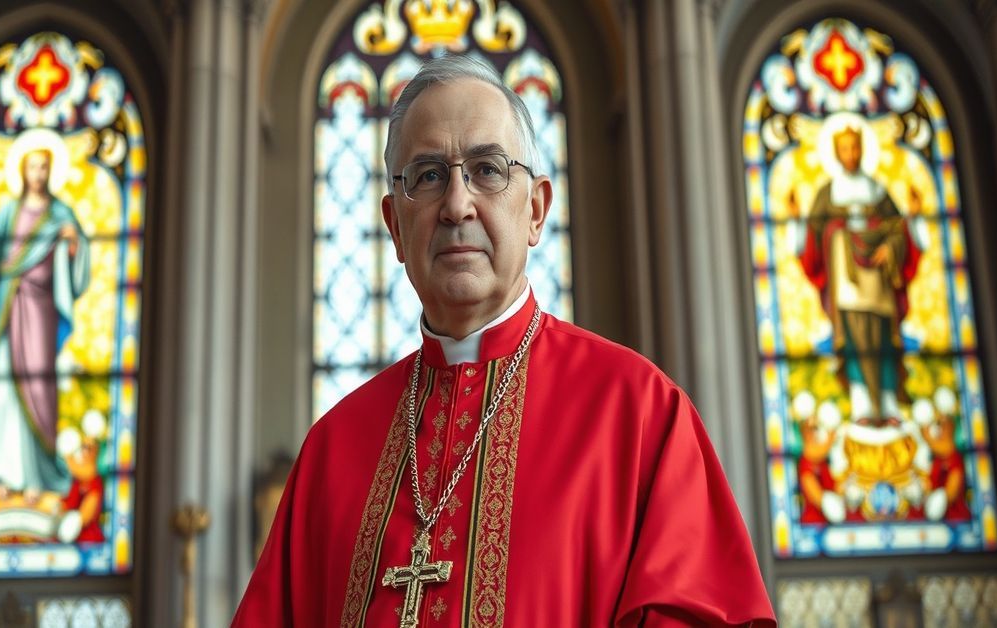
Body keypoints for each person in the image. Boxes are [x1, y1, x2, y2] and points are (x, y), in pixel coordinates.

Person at [234, 55, 774, 627]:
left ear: (536, 210)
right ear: (395, 226)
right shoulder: (332, 450)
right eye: (429, 175)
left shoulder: (638, 413)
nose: (457, 205)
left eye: (488, 170)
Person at [0, 139, 90, 503]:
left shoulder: (61, 214)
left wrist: (73, 245)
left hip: (40, 312)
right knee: (5, 390)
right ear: (22, 170)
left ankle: (37, 476)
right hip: (8, 306)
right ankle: (1, 473)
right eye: (32, 166)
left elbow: (77, 260)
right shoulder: (9, 211)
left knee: (39, 387)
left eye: (44, 167)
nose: (38, 173)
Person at [789, 120, 922, 425]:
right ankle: (861, 403)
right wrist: (797, 220)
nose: (851, 153)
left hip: (878, 278)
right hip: (845, 283)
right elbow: (811, 239)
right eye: (845, 148)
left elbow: (898, 229)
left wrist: (894, 241)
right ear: (837, 153)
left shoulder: (877, 190)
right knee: (854, 337)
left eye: (855, 147)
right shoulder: (828, 193)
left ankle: (888, 403)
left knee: (883, 337)